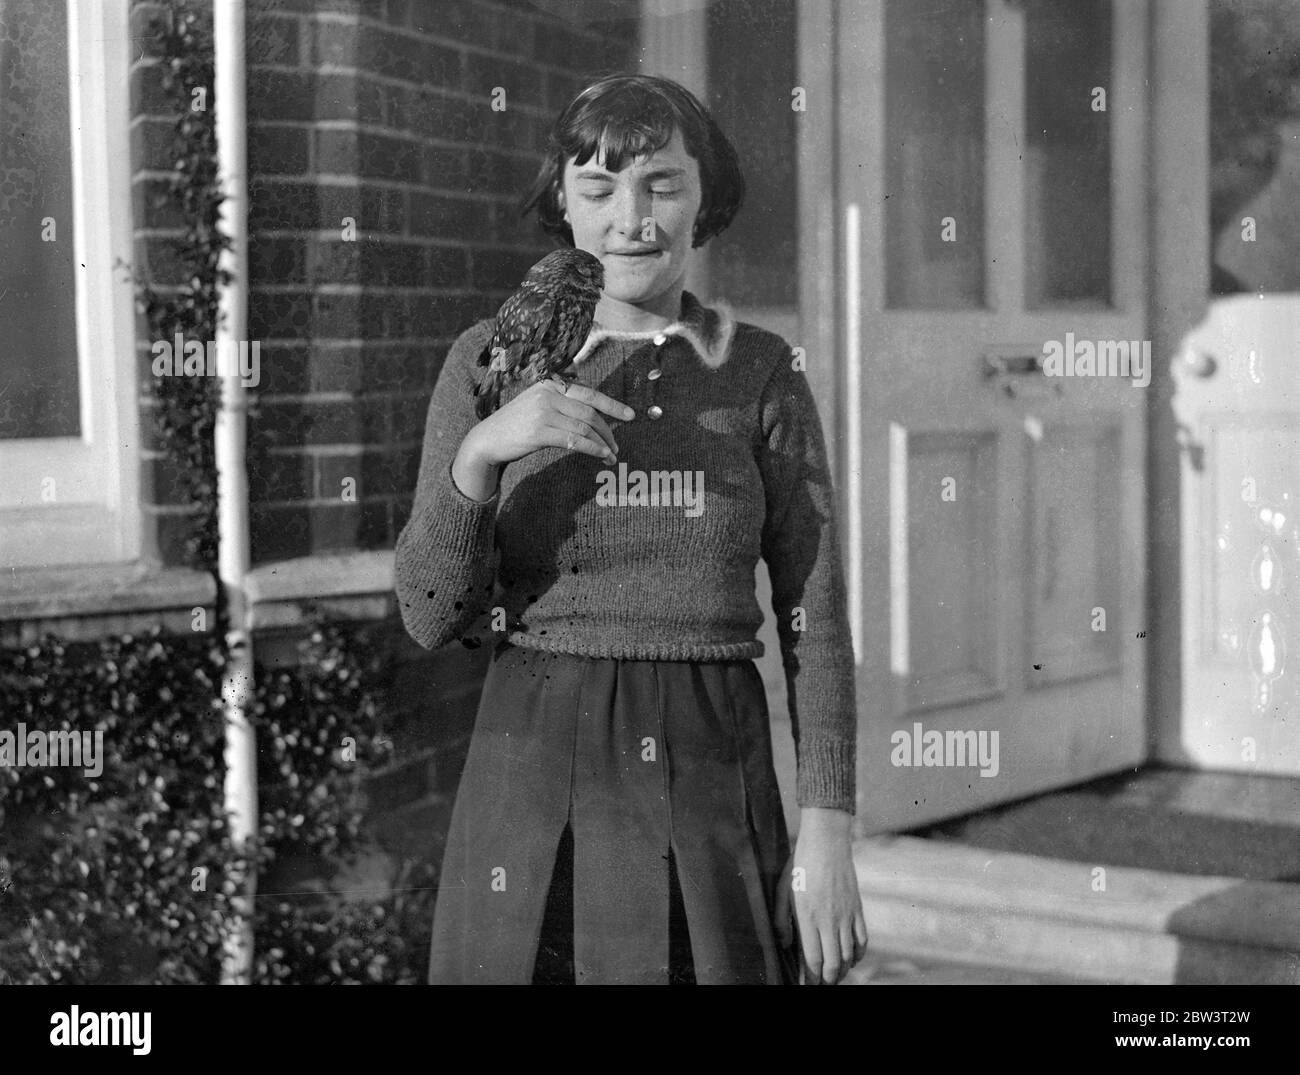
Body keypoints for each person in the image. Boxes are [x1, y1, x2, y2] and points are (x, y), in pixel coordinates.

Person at [394, 73, 866, 985]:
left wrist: (831, 831)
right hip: (529, 761)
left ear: (705, 201)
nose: (632, 218)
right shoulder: (487, 361)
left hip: (708, 765)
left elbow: (819, 614)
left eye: (663, 184)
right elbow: (428, 614)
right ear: (563, 204)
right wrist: (483, 452)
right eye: (600, 188)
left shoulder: (762, 372)